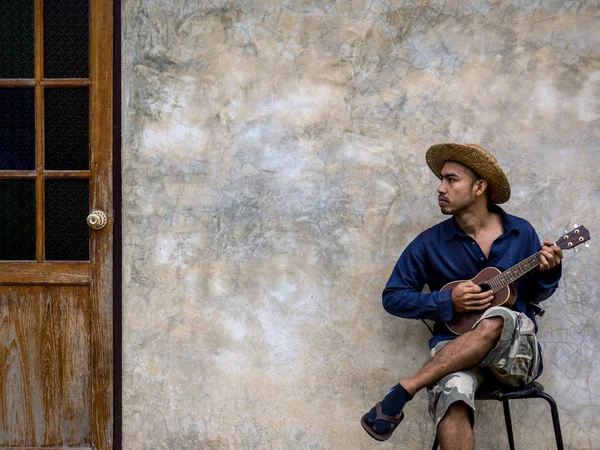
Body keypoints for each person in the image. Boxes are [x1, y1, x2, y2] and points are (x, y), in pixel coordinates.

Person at [360, 143, 563, 449]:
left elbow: (536, 293)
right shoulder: (429, 243)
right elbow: (393, 297)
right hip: (455, 357)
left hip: (515, 357)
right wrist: (446, 302)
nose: (440, 188)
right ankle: (425, 385)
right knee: (452, 395)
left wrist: (549, 271)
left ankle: (405, 389)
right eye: (441, 179)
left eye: (451, 180)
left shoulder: (521, 233)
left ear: (480, 187)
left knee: (501, 316)